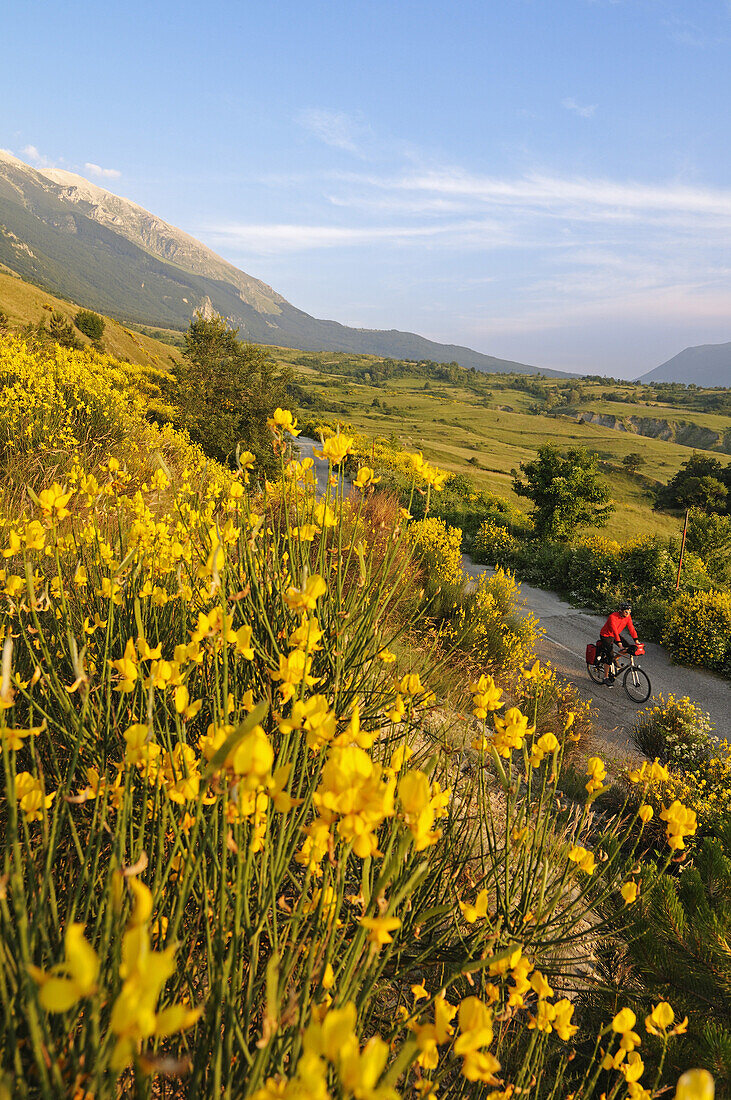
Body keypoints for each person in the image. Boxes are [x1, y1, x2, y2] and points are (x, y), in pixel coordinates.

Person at [597, 602, 640, 686]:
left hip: (615, 635)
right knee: (609, 655)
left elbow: (631, 628)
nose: (628, 613)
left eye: (629, 612)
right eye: (626, 612)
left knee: (628, 648)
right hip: (606, 635)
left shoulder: (627, 617)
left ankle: (615, 659)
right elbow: (615, 631)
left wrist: (636, 641)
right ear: (621, 611)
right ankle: (605, 678)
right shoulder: (613, 617)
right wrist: (620, 644)